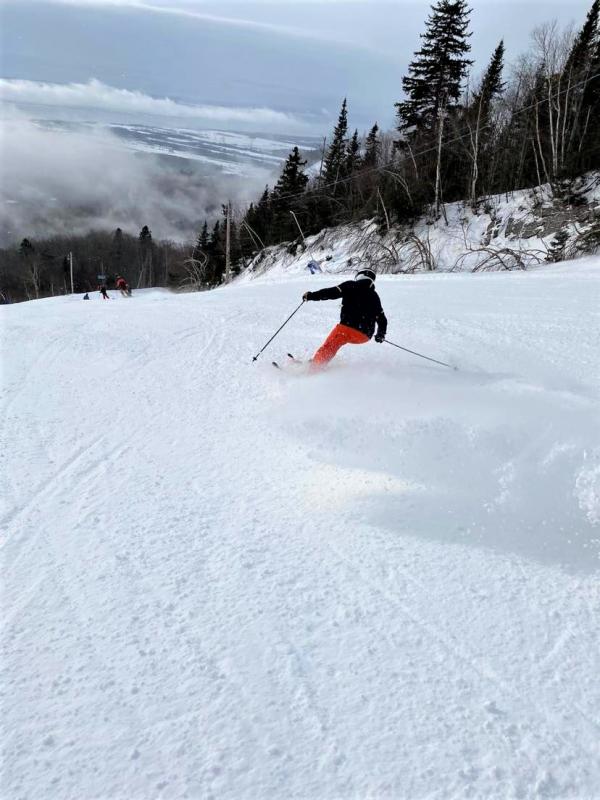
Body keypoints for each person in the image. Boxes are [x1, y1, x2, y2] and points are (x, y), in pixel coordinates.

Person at [302, 267, 387, 368]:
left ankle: (315, 367)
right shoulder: (375, 296)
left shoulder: (351, 285)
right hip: (364, 336)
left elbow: (331, 293)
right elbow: (382, 319)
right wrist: (380, 334)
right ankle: (317, 360)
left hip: (347, 328)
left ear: (360, 275)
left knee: (330, 344)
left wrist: (311, 296)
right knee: (333, 340)